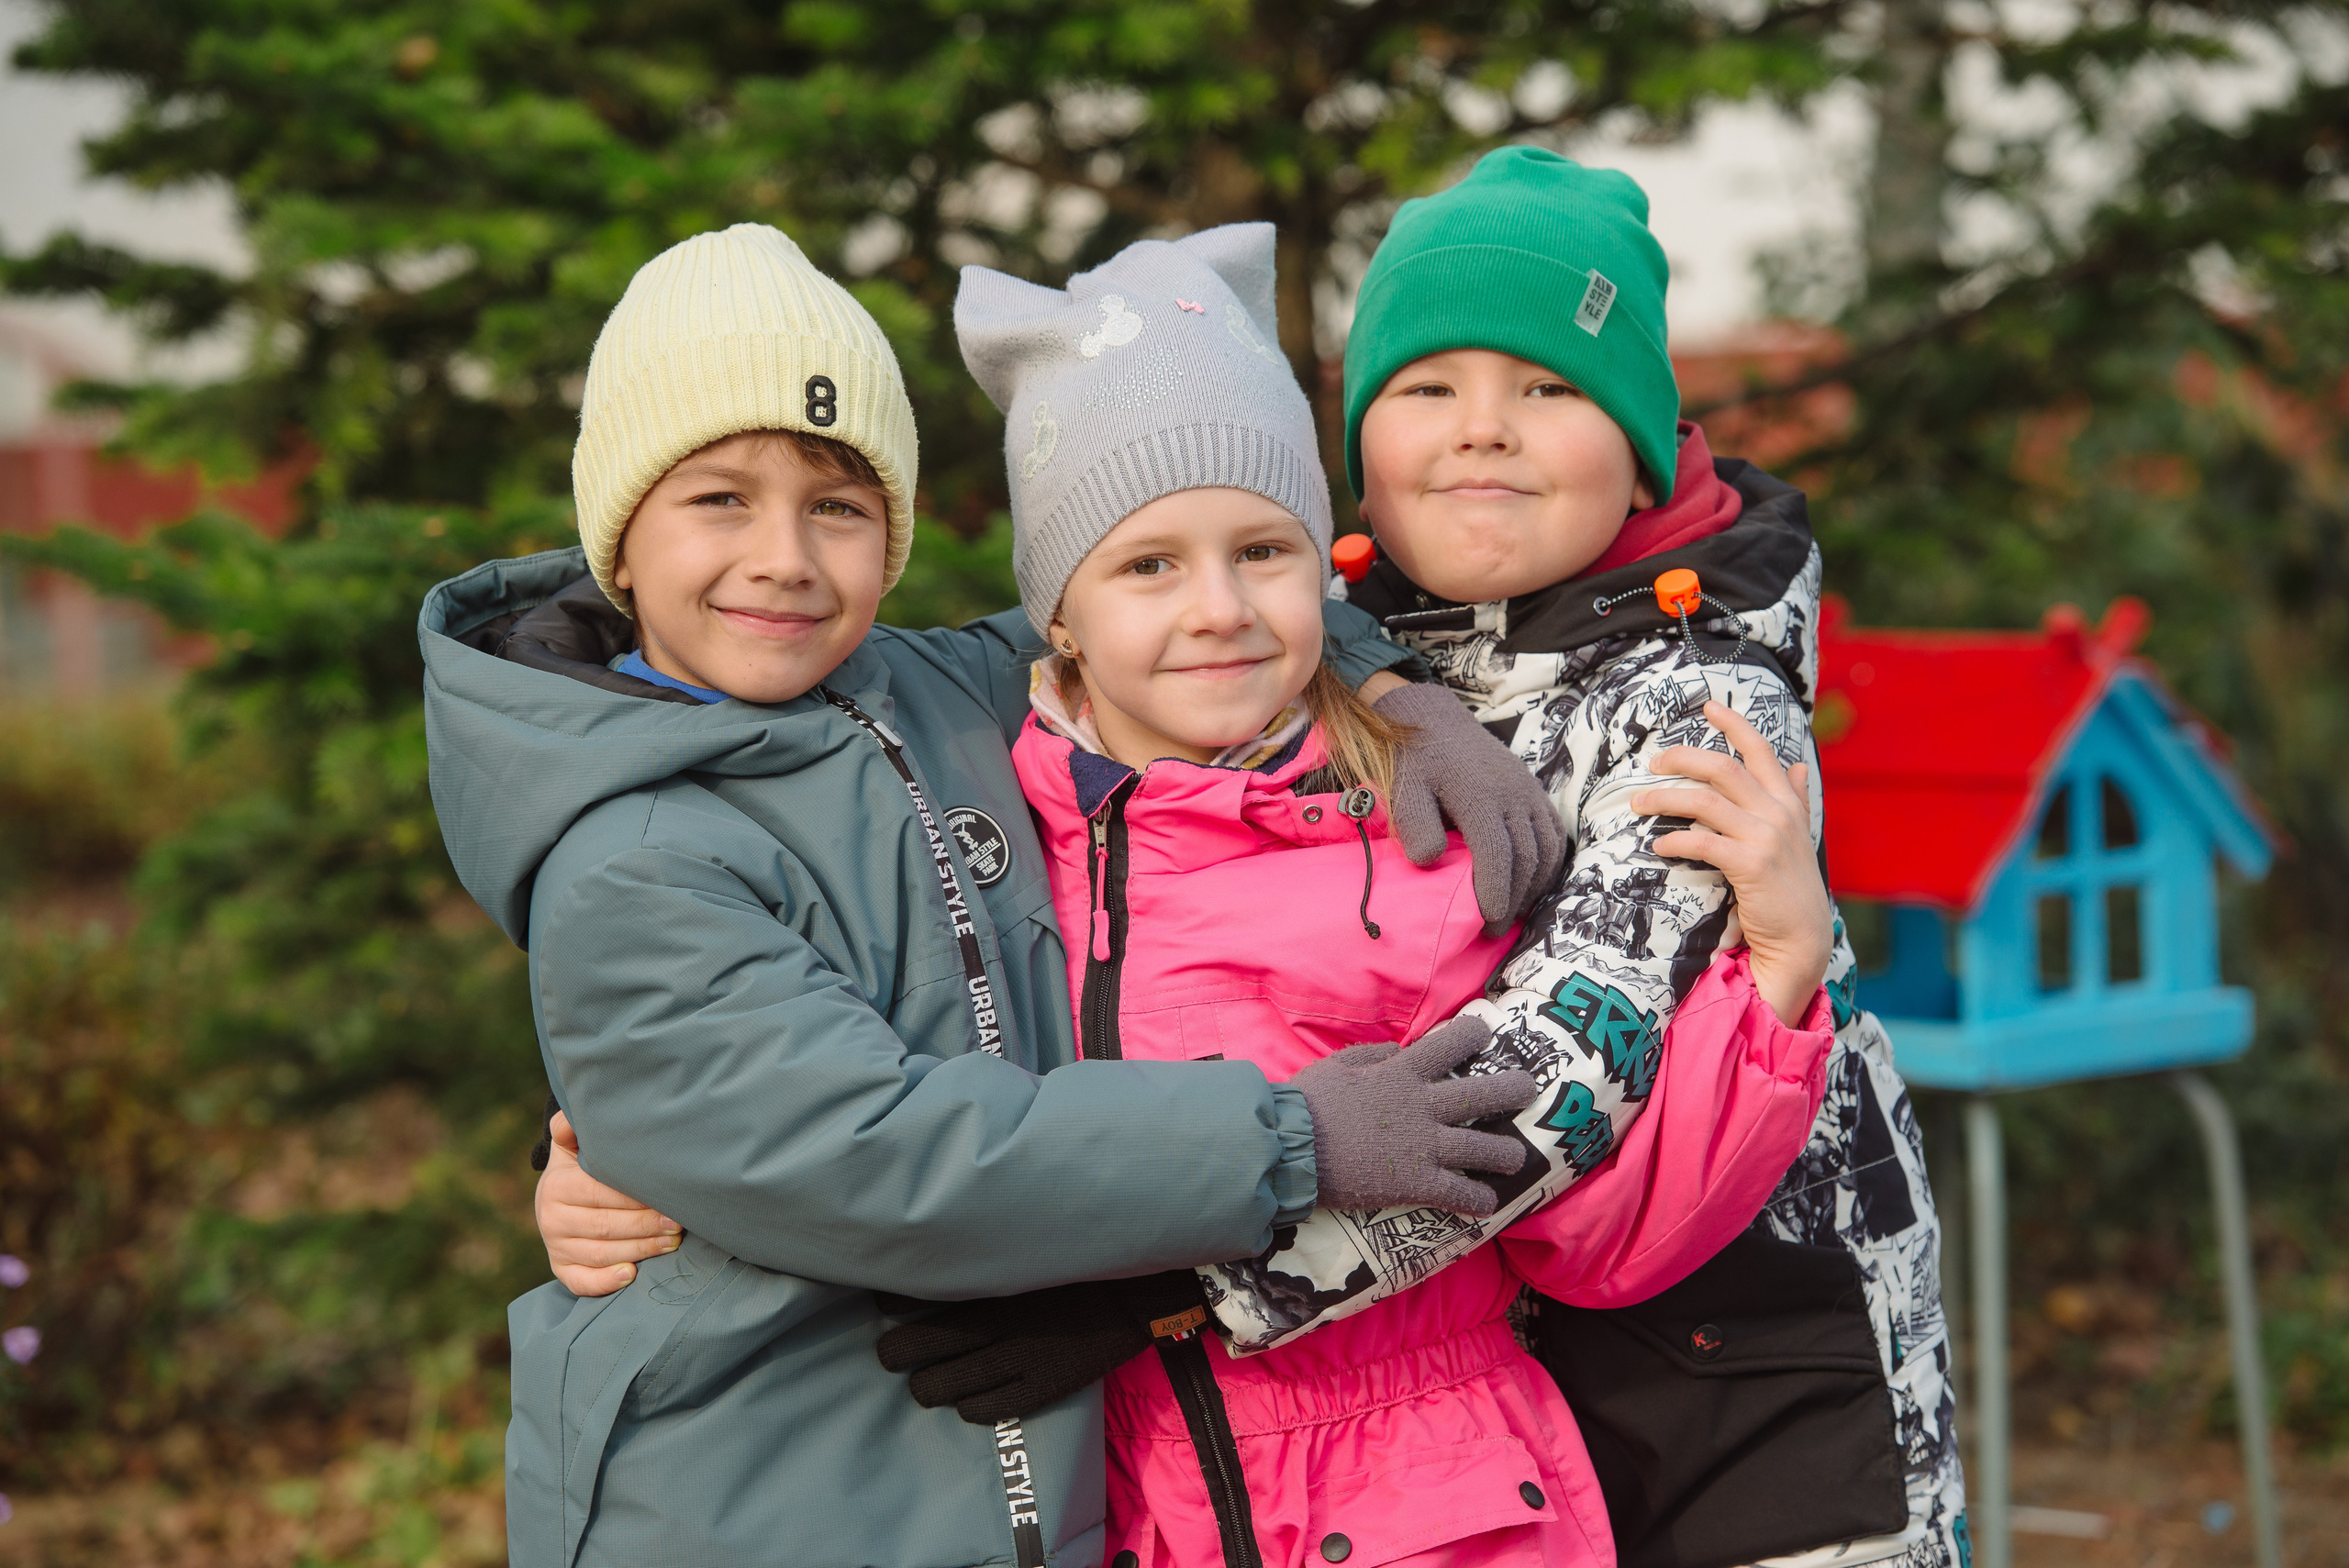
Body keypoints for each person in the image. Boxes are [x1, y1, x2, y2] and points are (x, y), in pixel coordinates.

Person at [539, 226, 1842, 1568]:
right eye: (716, 501)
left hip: (1428, 1504)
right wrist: (621, 1130)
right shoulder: (987, 800)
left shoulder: (1409, 840)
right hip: (1105, 1494)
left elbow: (1589, 1223)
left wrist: (1774, 983)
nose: (784, 559)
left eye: (835, 507)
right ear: (1059, 616)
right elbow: (851, 1089)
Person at [1334, 146, 1964, 1568]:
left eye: (1550, 389)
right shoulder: (1328, 666)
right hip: (1483, 1389)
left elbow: (1549, 1071)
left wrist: (1174, 1269)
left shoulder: (1707, 699)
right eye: (1428, 387)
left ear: (1640, 444)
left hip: (1760, 1397)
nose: (1482, 430)